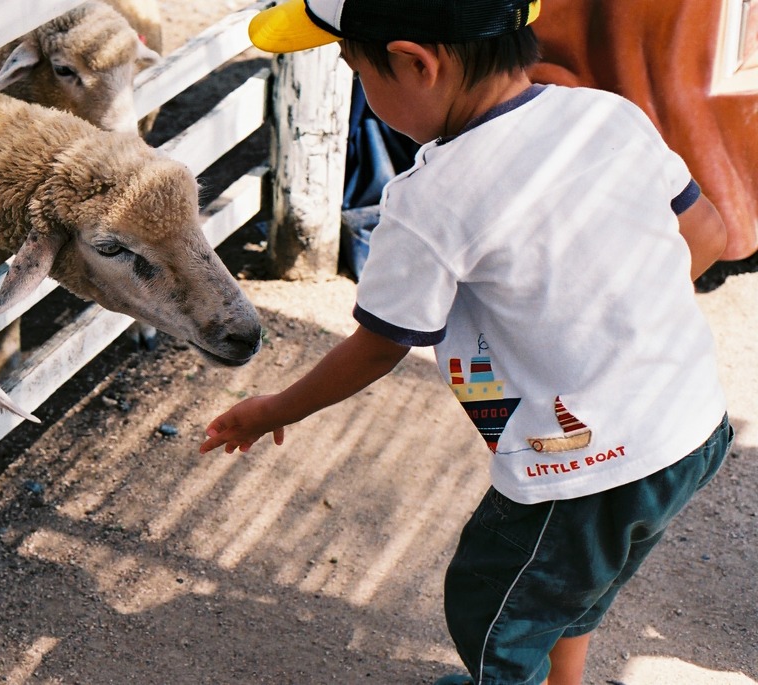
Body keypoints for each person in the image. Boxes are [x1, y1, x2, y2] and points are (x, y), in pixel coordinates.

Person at [199, 1, 734, 683]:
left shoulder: (430, 198)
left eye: (356, 69)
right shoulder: (608, 114)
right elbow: (708, 234)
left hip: (580, 470)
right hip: (689, 429)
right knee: (574, 580)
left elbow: (377, 346)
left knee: (494, 606)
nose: (361, 86)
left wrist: (275, 408)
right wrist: (615, 315)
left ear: (416, 64)